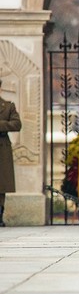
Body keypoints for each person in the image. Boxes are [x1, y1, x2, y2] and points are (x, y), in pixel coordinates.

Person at [0, 78, 22, 227]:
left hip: (2, 149)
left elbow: (17, 124)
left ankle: (0, 214)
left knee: (1, 186)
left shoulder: (8, 106)